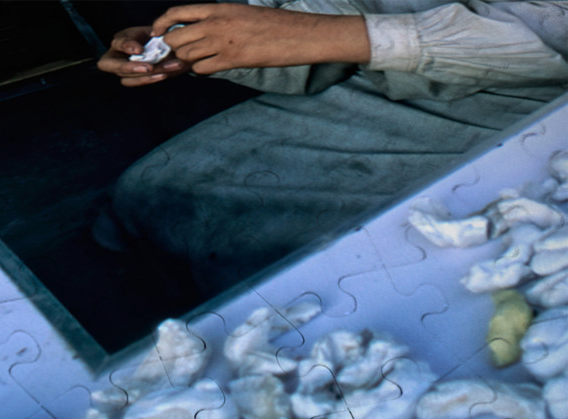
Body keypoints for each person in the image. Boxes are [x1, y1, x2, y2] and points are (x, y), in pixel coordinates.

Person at [94, 1, 568, 298]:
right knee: (153, 191)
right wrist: (210, 42)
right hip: (399, 82)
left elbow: (551, 34)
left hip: (538, 103)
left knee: (345, 274)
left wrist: (331, 35)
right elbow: (331, 20)